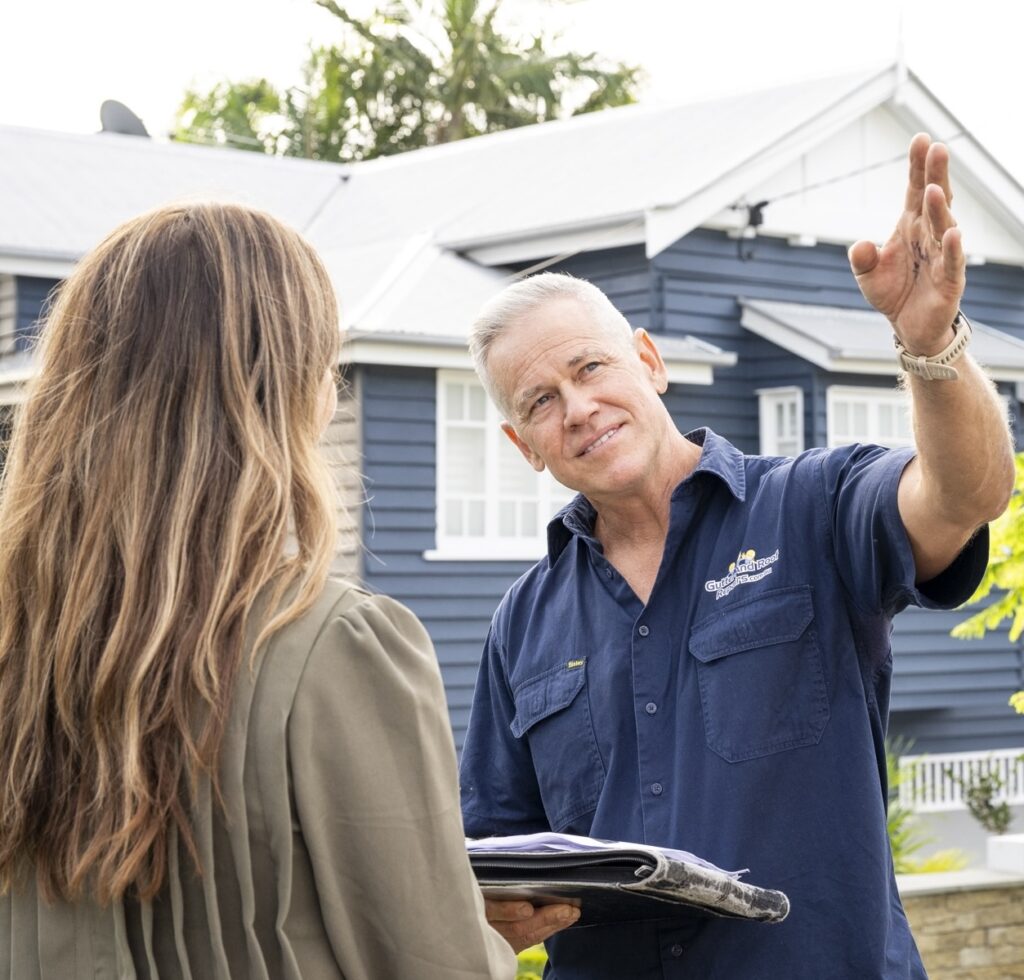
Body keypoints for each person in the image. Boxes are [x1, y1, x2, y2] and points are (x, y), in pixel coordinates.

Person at [459, 133, 1015, 978]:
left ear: (649, 362)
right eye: (541, 400)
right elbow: (495, 864)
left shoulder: (815, 506)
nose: (577, 407)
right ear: (523, 443)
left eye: (591, 367)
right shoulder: (521, 625)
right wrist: (500, 914)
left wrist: (931, 347)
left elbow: (967, 496)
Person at [0, 203, 516, 980]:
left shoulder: (19, 645)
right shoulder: (337, 649)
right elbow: (435, 964)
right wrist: (478, 925)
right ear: (283, 393)